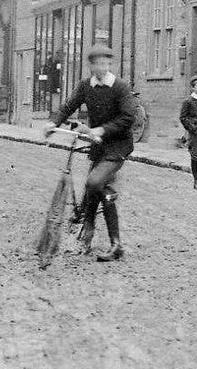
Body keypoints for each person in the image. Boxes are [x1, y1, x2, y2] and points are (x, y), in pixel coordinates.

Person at [45, 44, 137, 262]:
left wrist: (101, 130)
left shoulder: (120, 87)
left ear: (109, 64)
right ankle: (94, 238)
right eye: (97, 63)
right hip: (98, 147)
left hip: (118, 146)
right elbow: (68, 106)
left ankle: (109, 241)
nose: (102, 67)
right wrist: (52, 123)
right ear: (91, 66)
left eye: (106, 63)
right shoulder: (86, 86)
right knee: (95, 191)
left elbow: (128, 118)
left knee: (94, 182)